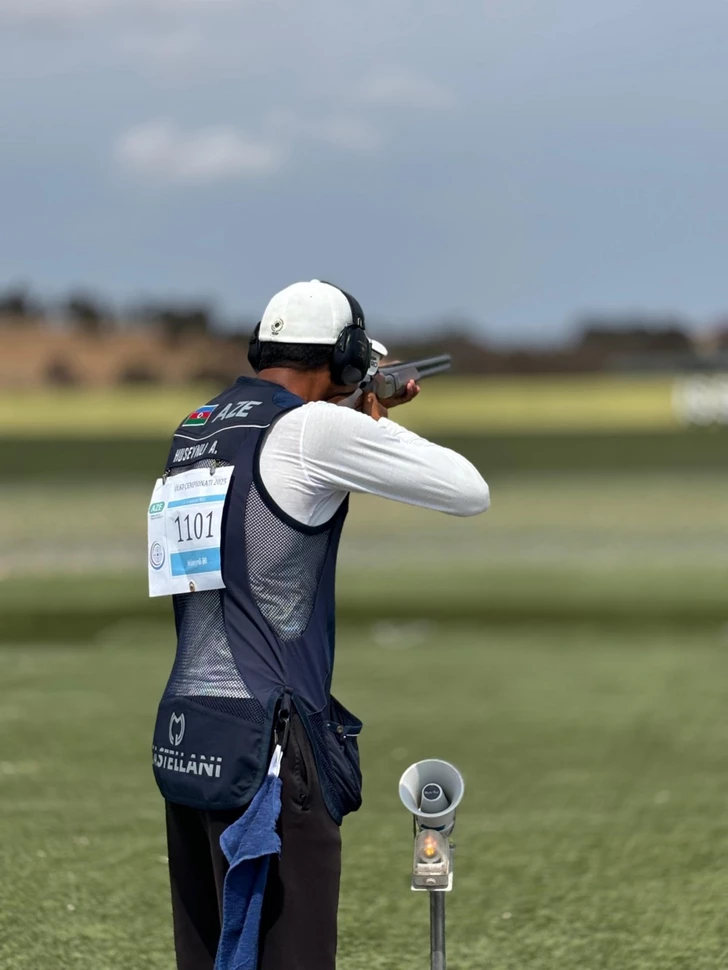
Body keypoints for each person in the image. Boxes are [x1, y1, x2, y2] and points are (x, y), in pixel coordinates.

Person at [147, 280, 490, 970]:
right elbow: (468, 490)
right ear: (348, 358)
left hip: (190, 731)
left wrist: (351, 410)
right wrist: (372, 421)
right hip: (273, 744)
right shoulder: (314, 430)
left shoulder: (199, 426)